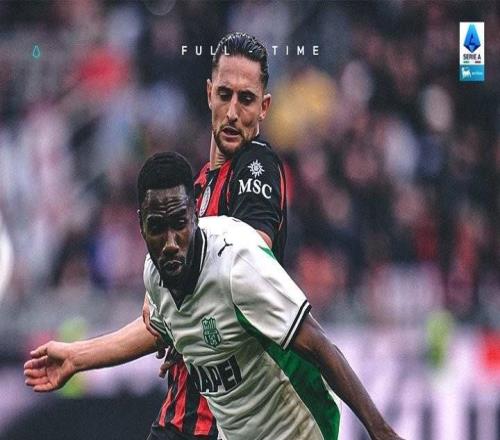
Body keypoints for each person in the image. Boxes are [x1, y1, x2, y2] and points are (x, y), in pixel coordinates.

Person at [24, 32, 287, 440]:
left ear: (264, 107)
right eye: (225, 95)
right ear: (208, 94)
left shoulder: (256, 167)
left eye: (247, 99)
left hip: (225, 422)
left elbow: (250, 262)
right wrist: (77, 356)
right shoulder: (192, 194)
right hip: (181, 416)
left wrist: (185, 322)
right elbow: (157, 323)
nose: (234, 112)